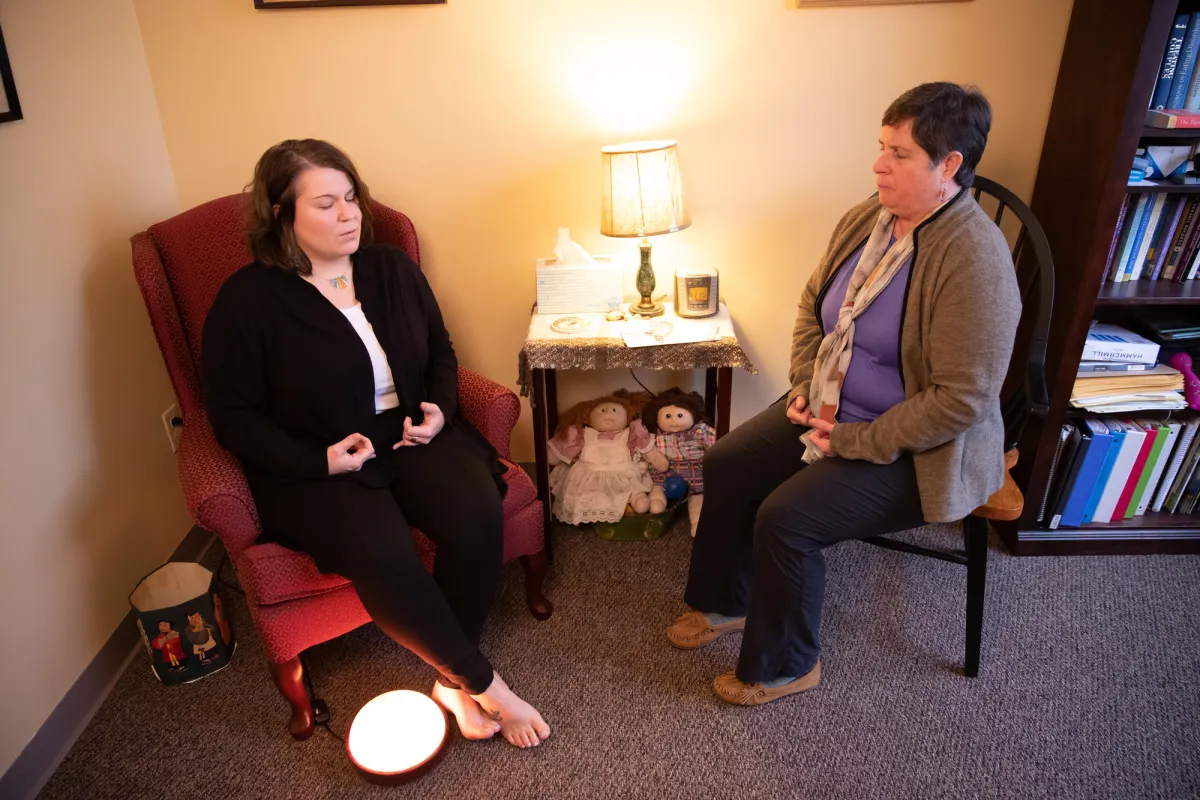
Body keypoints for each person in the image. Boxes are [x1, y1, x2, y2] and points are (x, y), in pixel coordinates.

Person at [667, 83, 1021, 705]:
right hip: (831, 407)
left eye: (899, 154)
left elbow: (961, 400)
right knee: (727, 462)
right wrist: (806, 382)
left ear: (949, 166)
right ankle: (728, 602)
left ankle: (788, 665)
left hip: (917, 446)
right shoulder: (869, 218)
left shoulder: (975, 260)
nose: (878, 165)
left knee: (787, 519)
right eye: (881, 147)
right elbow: (814, 306)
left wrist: (856, 439)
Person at [202, 139, 550, 748]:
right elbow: (231, 417)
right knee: (382, 549)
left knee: (475, 510)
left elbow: (440, 350)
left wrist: (439, 410)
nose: (349, 215)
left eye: (352, 198)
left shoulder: (390, 267)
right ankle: (485, 684)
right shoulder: (247, 301)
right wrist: (319, 459)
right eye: (326, 204)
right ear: (282, 215)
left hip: (409, 434)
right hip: (317, 460)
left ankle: (449, 685)